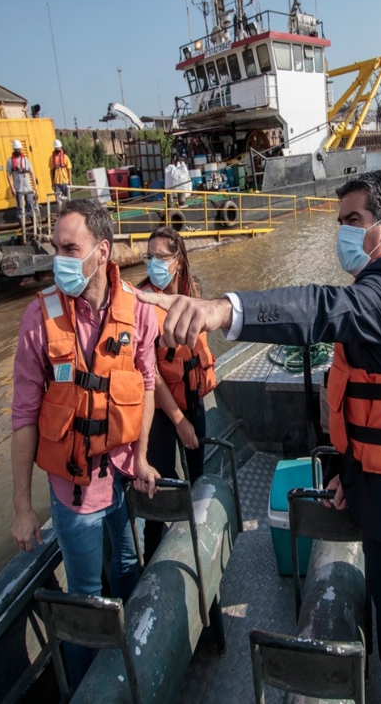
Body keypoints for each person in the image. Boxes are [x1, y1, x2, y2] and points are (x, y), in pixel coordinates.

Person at [137, 169, 381, 702]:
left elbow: (318, 308)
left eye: (353, 221)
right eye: (339, 222)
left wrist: (225, 309)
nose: (344, 233)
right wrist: (347, 471)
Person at [10, 198, 161, 686]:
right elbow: (23, 416)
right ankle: (89, 687)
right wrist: (21, 507)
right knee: (84, 596)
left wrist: (140, 458)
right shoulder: (39, 320)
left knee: (126, 566)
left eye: (70, 248)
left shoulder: (137, 310)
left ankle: (136, 665)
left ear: (103, 250)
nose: (60, 259)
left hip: (120, 473)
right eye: (56, 248)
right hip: (73, 491)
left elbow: (148, 383)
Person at [136, 226, 216, 562]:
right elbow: (150, 373)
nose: (153, 263)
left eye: (160, 256)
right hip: (162, 414)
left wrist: (190, 414)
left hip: (194, 397)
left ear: (178, 261)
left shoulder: (192, 290)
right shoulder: (142, 303)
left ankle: (198, 546)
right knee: (162, 488)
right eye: (149, 256)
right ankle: (154, 557)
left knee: (198, 476)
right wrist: (179, 419)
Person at [7, 139, 38, 222]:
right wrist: (12, 188)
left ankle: (35, 226)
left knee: (30, 206)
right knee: (20, 208)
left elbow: (32, 172)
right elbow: (8, 175)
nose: (18, 151)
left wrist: (35, 187)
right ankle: (21, 226)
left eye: (19, 149)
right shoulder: (10, 161)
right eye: (16, 149)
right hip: (18, 188)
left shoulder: (25, 160)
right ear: (13, 149)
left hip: (28, 188)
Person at [50, 139, 72, 206]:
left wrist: (70, 181)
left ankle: (68, 213)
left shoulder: (65, 157)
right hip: (57, 183)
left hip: (65, 181)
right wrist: (52, 182)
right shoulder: (51, 158)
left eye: (58, 147)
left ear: (61, 147)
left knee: (68, 199)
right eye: (56, 148)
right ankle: (60, 213)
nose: (57, 149)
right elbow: (51, 171)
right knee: (58, 201)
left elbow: (69, 170)